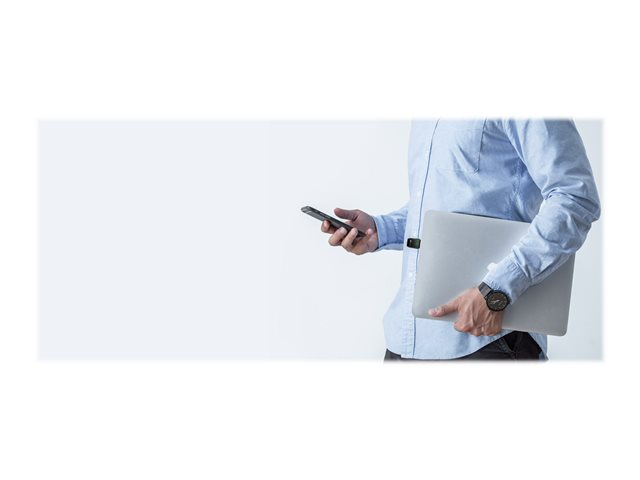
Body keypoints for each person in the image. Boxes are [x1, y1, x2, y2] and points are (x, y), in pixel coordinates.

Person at [320, 119, 601, 361]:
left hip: (488, 340)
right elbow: (439, 205)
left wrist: (496, 292)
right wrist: (380, 230)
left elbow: (575, 197)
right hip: (405, 341)